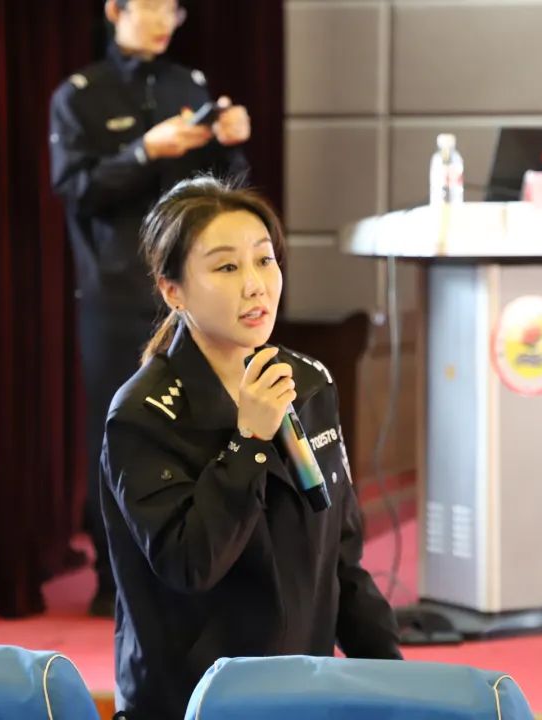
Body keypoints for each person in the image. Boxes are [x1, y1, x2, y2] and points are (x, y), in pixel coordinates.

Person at [100, 177, 403, 719]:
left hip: (299, 699)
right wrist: (249, 443)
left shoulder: (307, 383)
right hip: (189, 705)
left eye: (265, 261)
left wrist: (398, 684)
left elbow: (341, 563)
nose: (255, 285)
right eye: (226, 268)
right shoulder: (143, 415)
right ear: (173, 291)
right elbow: (190, 564)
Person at [49, 0, 251, 616]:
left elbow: (221, 191)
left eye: (174, 9)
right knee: (116, 429)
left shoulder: (187, 85)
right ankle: (114, 581)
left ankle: (200, 566)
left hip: (191, 292)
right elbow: (74, 188)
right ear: (116, 9)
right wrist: (143, 152)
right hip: (116, 294)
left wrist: (231, 145)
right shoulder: (80, 94)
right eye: (152, 6)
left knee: (203, 421)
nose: (165, 19)